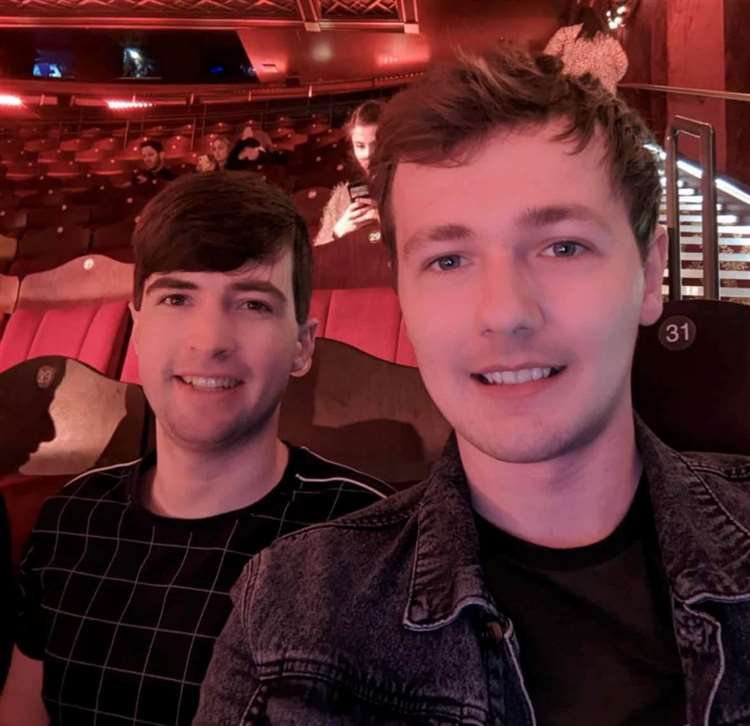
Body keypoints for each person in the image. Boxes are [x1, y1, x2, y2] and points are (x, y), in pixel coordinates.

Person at [195, 48, 750, 725]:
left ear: (652, 273)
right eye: (449, 259)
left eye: (563, 246)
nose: (505, 312)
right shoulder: (289, 613)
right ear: (402, 292)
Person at [0, 172, 391, 726]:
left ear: (302, 346)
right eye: (177, 297)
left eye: (253, 304)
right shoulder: (69, 517)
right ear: (136, 329)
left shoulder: (372, 540)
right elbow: (23, 709)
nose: (208, 341)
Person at [313, 100, 383, 246]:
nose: (368, 154)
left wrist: (384, 221)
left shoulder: (410, 189)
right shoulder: (341, 197)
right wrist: (338, 232)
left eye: (376, 145)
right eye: (360, 146)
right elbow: (318, 256)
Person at [544, 5, 627, 93]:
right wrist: (611, 79)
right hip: (604, 95)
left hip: (573, 91)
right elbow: (622, 64)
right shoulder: (610, 40)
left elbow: (548, 57)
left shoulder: (566, 33)